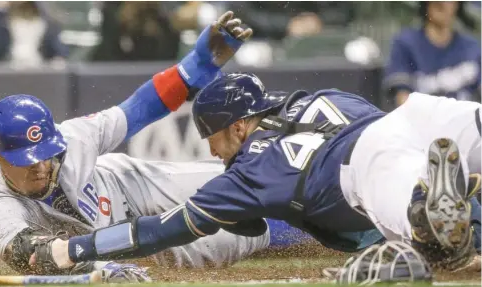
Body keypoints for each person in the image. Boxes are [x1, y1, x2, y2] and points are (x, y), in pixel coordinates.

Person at [34, 72, 481, 273]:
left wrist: (74, 248)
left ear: (240, 126)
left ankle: (439, 216)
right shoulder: (322, 95)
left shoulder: (249, 172)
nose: (211, 149)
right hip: (410, 118)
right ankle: (465, 204)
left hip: (365, 167)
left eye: (213, 136)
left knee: (436, 237)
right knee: (461, 143)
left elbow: (160, 230)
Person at [0, 11, 286, 281]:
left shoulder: (73, 138)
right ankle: (308, 235)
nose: (41, 165)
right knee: (234, 238)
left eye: (45, 154)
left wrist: (194, 67)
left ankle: (327, 211)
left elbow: (138, 109)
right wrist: (97, 267)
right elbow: (34, 254)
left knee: (253, 183)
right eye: (28, 160)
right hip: (120, 245)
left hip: (133, 183)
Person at [384, 1, 481, 106]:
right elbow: (402, 100)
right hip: (421, 119)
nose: (442, 4)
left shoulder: (471, 47)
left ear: (458, 4)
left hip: (466, 119)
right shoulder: (406, 43)